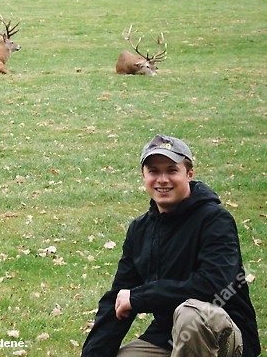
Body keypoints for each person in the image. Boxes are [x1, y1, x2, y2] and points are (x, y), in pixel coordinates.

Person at [81, 134, 261, 357]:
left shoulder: (214, 220)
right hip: (167, 339)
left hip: (223, 337)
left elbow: (213, 285)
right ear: (144, 176)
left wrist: (139, 297)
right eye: (154, 171)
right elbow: (117, 301)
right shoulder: (140, 230)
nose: (162, 179)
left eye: (172, 170)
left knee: (191, 313)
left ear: (189, 174)